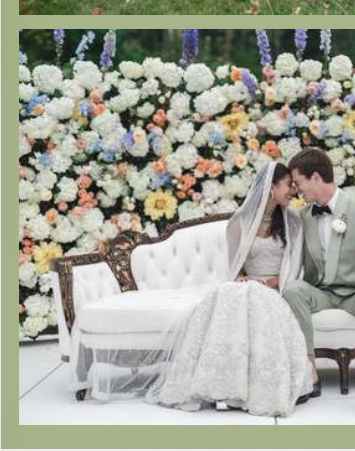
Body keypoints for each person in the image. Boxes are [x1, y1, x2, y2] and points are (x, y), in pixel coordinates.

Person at [77, 159, 316, 414]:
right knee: (231, 294)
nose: (293, 191)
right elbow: (236, 269)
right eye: (288, 185)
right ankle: (223, 386)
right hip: (246, 286)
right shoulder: (239, 223)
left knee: (252, 298)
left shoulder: (292, 223)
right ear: (271, 187)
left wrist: (270, 283)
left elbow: (294, 266)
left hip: (275, 287)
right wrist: (245, 279)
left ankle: (249, 387)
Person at [282, 148, 355, 419]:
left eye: (298, 183)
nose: (297, 190)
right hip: (319, 292)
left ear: (315, 178)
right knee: (292, 289)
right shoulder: (302, 216)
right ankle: (310, 372)